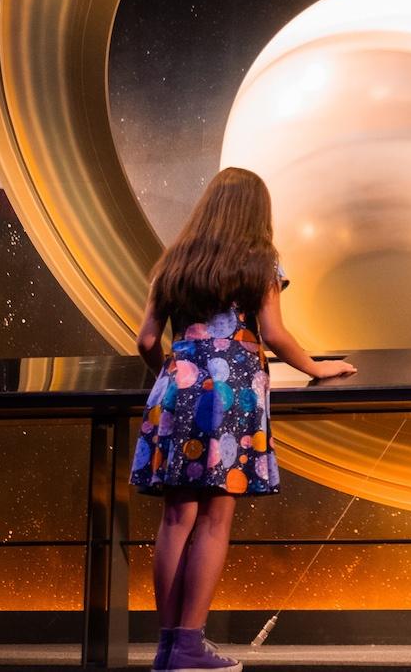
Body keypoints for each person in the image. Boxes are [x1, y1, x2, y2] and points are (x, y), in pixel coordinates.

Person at [128, 166, 356, 672]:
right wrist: (317, 366)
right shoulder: (260, 259)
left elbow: (146, 340)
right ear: (257, 211)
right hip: (231, 392)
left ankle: (168, 649)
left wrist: (170, 373)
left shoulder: (174, 261)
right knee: (213, 520)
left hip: (176, 386)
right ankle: (189, 646)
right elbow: (273, 332)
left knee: (174, 518)